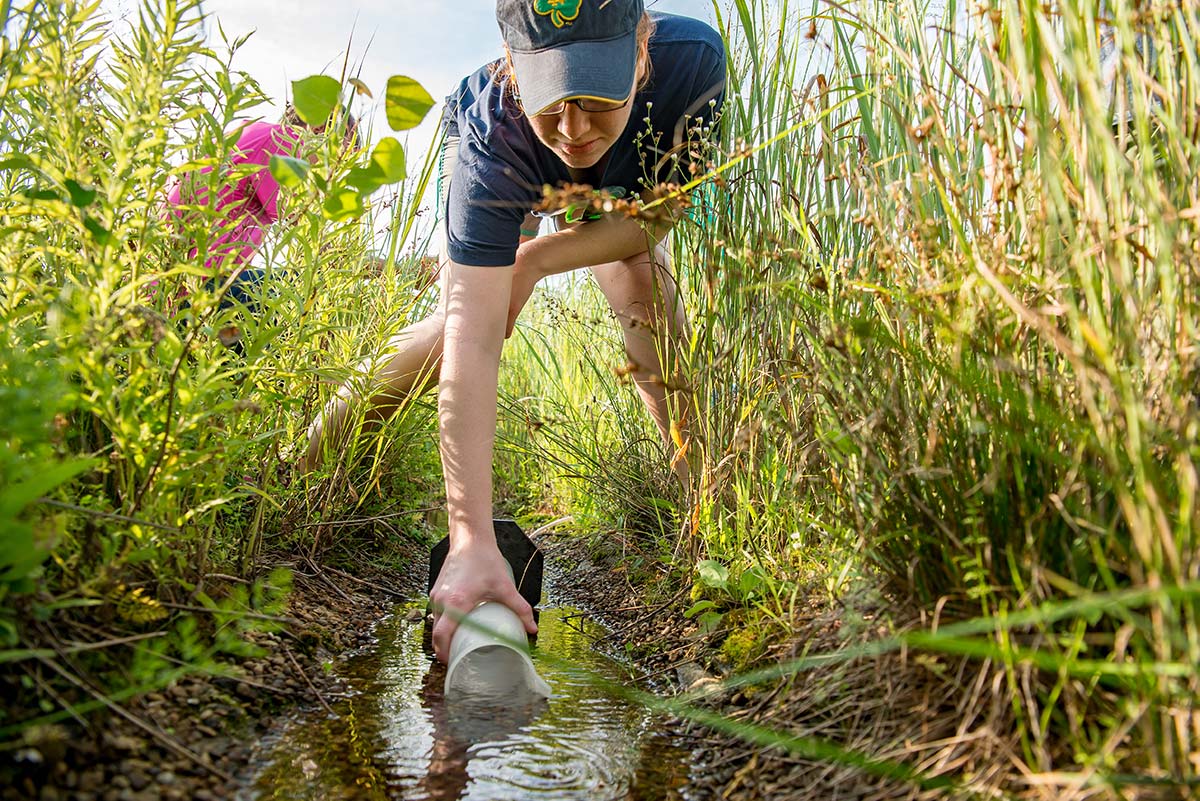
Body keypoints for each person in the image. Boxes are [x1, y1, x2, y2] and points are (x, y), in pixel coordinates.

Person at [300, 0, 726, 662]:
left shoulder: (691, 63)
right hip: (508, 163)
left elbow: (659, 214)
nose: (574, 128)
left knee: (644, 283)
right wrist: (470, 538)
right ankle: (300, 467)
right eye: (549, 97)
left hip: (620, 204)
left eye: (595, 94)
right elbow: (472, 339)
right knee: (459, 324)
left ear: (640, 49)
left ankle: (708, 503)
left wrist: (537, 260)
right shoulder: (492, 129)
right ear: (513, 68)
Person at [164, 108, 359, 335]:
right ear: (318, 131)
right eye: (339, 161)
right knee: (303, 287)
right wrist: (368, 266)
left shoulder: (254, 134)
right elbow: (314, 244)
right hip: (194, 287)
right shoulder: (285, 144)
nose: (333, 176)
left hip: (175, 285)